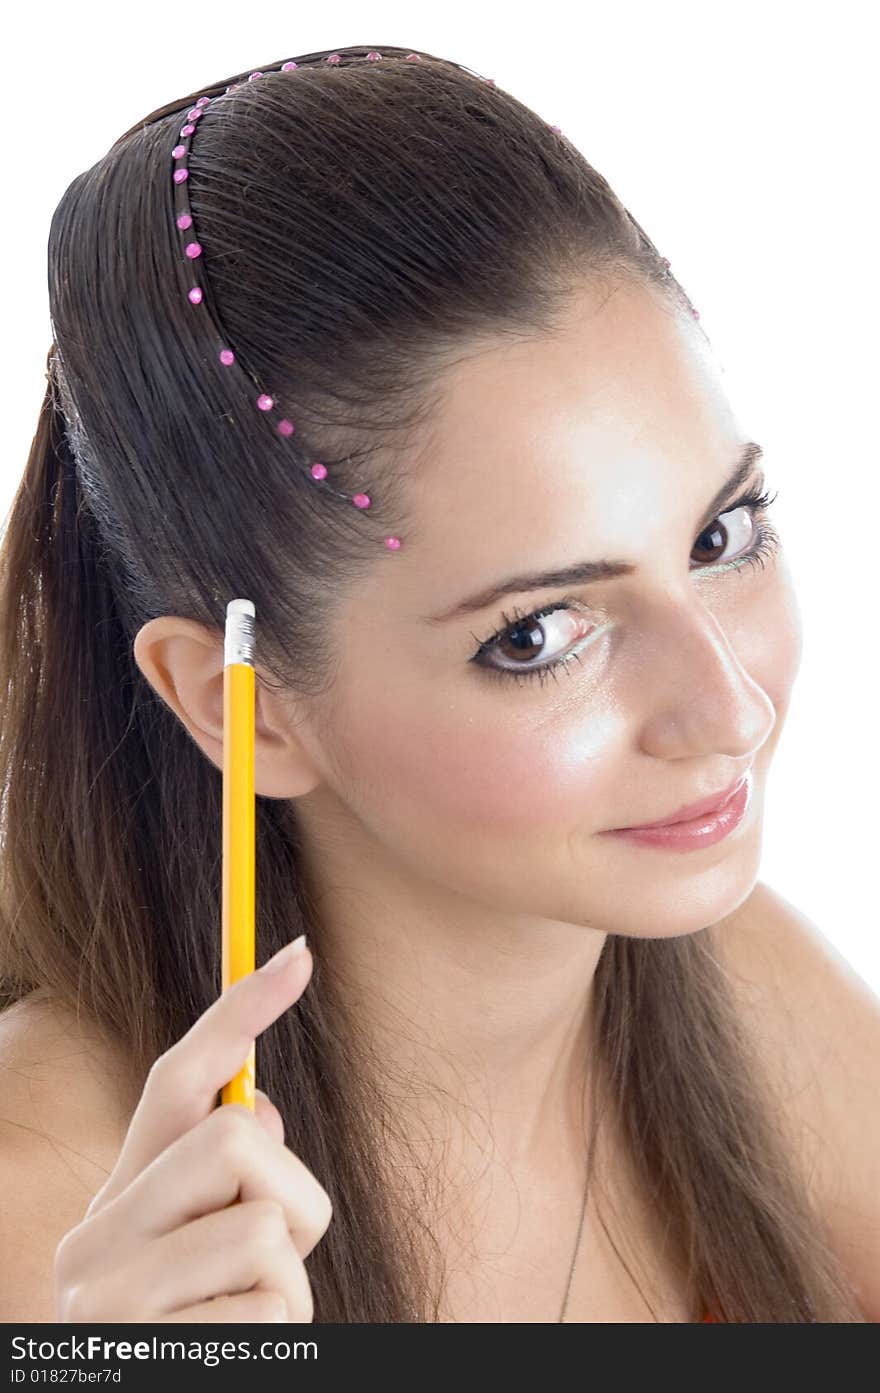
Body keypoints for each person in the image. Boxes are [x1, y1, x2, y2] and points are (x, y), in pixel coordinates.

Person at [0, 44, 876, 1325]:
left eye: (720, 536)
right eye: (539, 634)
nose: (730, 709)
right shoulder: (56, 1225)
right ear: (240, 704)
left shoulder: (745, 991)